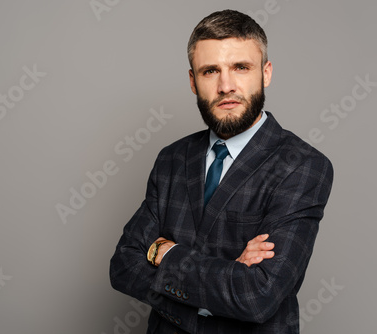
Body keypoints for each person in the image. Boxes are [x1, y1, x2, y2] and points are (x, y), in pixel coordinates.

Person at [109, 9, 334, 334]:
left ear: (265, 73)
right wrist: (227, 273)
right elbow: (124, 265)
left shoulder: (303, 165)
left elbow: (257, 296)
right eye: (210, 71)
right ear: (192, 81)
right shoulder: (171, 159)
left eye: (240, 67)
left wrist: (164, 250)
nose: (225, 85)